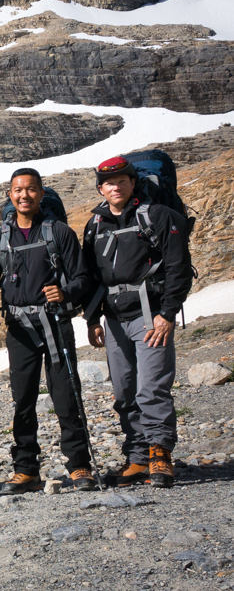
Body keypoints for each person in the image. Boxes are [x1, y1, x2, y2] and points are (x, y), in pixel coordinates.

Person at [0, 168, 97, 494]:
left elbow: (82, 278)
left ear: (41, 194)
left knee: (66, 394)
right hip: (19, 329)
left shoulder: (58, 232)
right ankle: (26, 469)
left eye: (31, 189)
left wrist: (65, 293)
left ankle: (79, 465)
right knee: (23, 399)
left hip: (55, 323)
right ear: (10, 194)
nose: (24, 195)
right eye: (18, 190)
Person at [83, 157, 193, 488]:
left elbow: (178, 267)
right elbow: (90, 275)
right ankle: (137, 458)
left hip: (151, 315)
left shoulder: (156, 216)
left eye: (121, 180)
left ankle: (160, 455)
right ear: (101, 188)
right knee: (124, 391)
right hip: (114, 318)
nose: (115, 186)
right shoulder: (95, 225)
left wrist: (168, 313)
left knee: (152, 388)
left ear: (133, 183)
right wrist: (92, 318)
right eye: (108, 182)